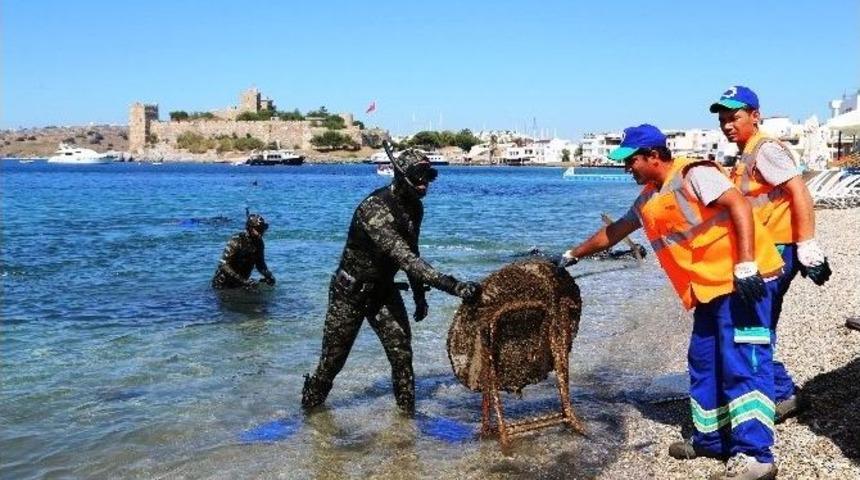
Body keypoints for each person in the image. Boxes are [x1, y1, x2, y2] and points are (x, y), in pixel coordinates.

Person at [558, 124, 784, 480]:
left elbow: (738, 204)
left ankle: (755, 456)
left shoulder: (694, 174)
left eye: (630, 161)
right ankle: (712, 439)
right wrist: (572, 254)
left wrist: (745, 264)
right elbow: (614, 232)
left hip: (742, 282)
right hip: (708, 289)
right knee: (704, 360)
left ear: (652, 156)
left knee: (743, 363)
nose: (626, 168)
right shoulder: (649, 196)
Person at [302, 142, 481, 416]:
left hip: (383, 292)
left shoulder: (415, 209)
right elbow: (405, 258)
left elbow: (413, 252)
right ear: (401, 175)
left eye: (429, 177)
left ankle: (407, 422)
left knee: (402, 355)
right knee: (332, 363)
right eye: (419, 177)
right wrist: (454, 286)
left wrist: (420, 298)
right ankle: (309, 417)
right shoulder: (374, 211)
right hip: (349, 293)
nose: (425, 185)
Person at [710, 85, 832, 422]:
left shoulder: (764, 149)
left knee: (749, 327)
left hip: (775, 251)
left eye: (733, 117)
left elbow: (799, 192)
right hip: (770, 250)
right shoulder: (748, 151)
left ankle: (763, 401)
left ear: (754, 115)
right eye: (722, 120)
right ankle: (781, 393)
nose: (727, 125)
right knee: (758, 326)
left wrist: (807, 244)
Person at [211, 212, 276, 290]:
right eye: (258, 229)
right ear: (250, 228)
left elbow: (260, 263)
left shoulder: (259, 243)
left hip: (242, 283)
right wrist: (243, 281)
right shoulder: (236, 241)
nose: (261, 232)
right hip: (223, 284)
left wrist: (268, 275)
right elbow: (223, 265)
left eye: (262, 229)